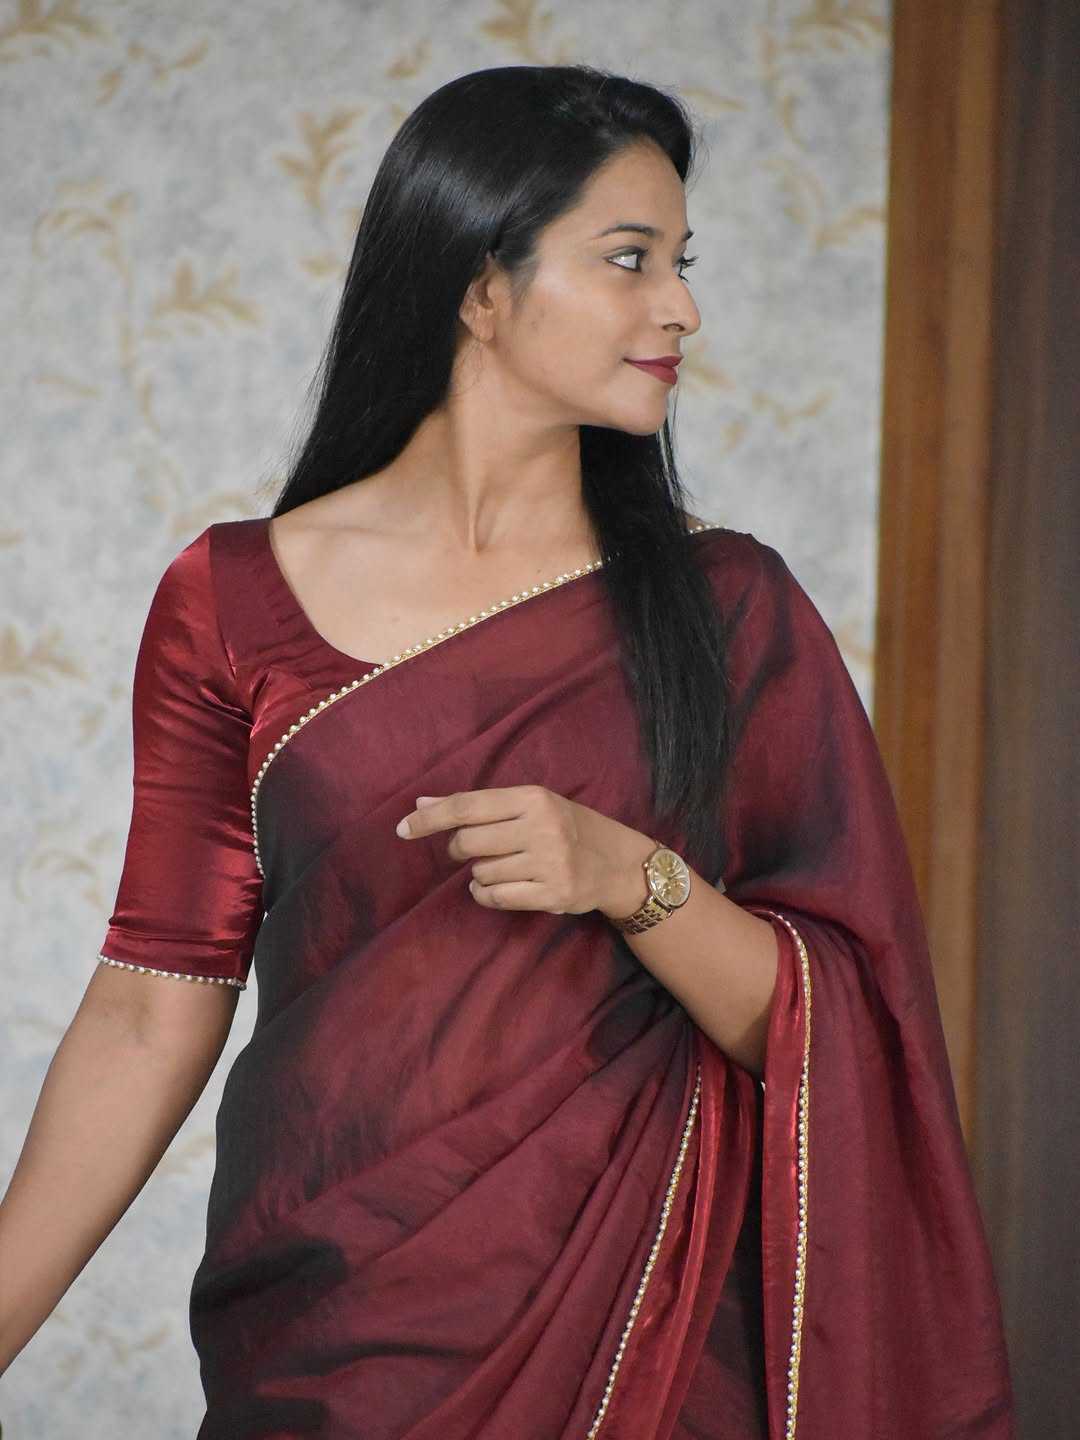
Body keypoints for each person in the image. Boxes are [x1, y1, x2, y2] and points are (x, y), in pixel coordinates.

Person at [0, 64, 1014, 1438]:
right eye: (630, 259)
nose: (683, 308)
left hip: (647, 1338)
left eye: (683, 262)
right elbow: (149, 1003)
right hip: (332, 1319)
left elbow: (836, 1027)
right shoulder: (231, 600)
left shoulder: (731, 611)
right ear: (481, 287)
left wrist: (630, 877)